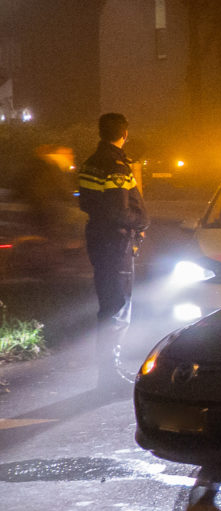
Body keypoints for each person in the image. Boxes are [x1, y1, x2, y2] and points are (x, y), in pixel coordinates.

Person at [75, 113, 148, 385]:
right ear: (124, 134)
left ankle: (105, 374)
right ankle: (110, 375)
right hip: (116, 242)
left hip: (98, 238)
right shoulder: (116, 166)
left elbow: (86, 204)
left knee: (108, 303)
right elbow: (120, 210)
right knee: (118, 306)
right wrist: (143, 221)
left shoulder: (89, 163)